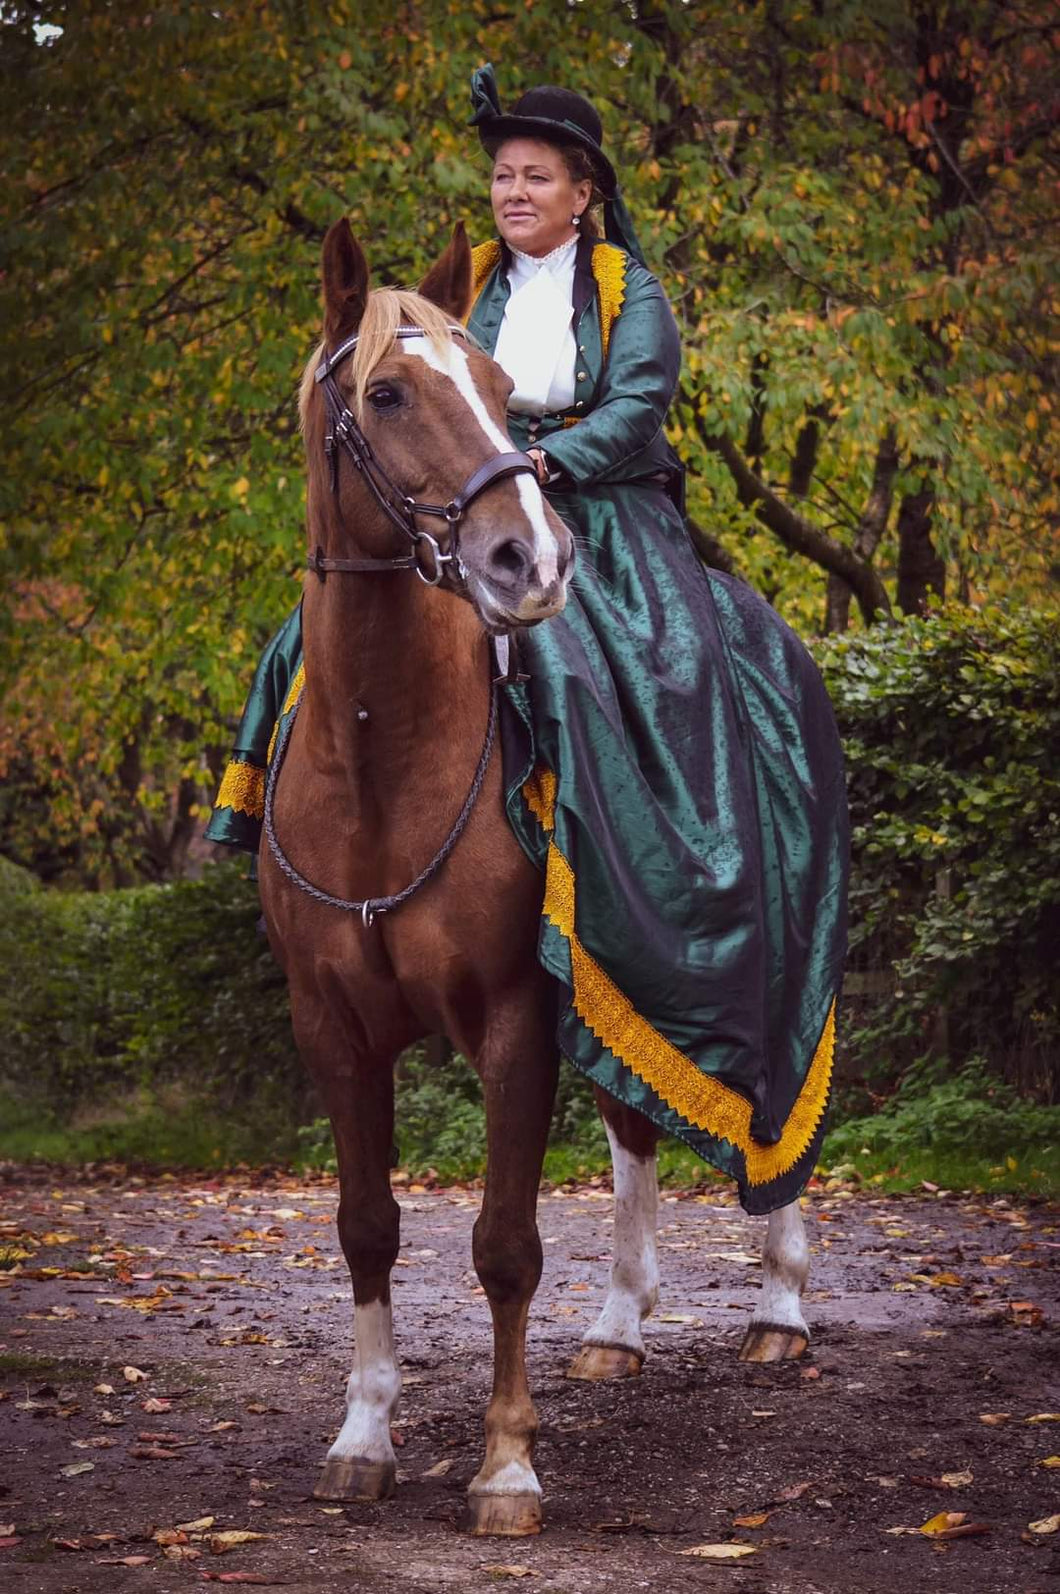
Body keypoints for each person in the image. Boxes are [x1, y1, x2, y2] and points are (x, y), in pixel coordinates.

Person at [207, 66, 848, 1214]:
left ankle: (658, 855)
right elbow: (435, 404)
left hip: (603, 504)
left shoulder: (625, 289)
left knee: (662, 667)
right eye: (502, 174)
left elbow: (637, 405)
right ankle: (253, 798)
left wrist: (546, 463)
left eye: (534, 175)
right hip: (476, 502)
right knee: (312, 634)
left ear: (581, 191)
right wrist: (485, 470)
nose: (512, 190)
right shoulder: (471, 294)